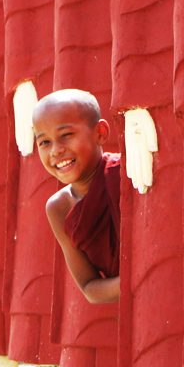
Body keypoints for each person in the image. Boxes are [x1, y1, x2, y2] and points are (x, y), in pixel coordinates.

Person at [35, 89, 120, 305]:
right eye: (44, 142)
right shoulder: (59, 208)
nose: (55, 151)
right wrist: (136, 280)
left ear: (100, 132)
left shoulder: (127, 175)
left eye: (66, 135)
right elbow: (89, 287)